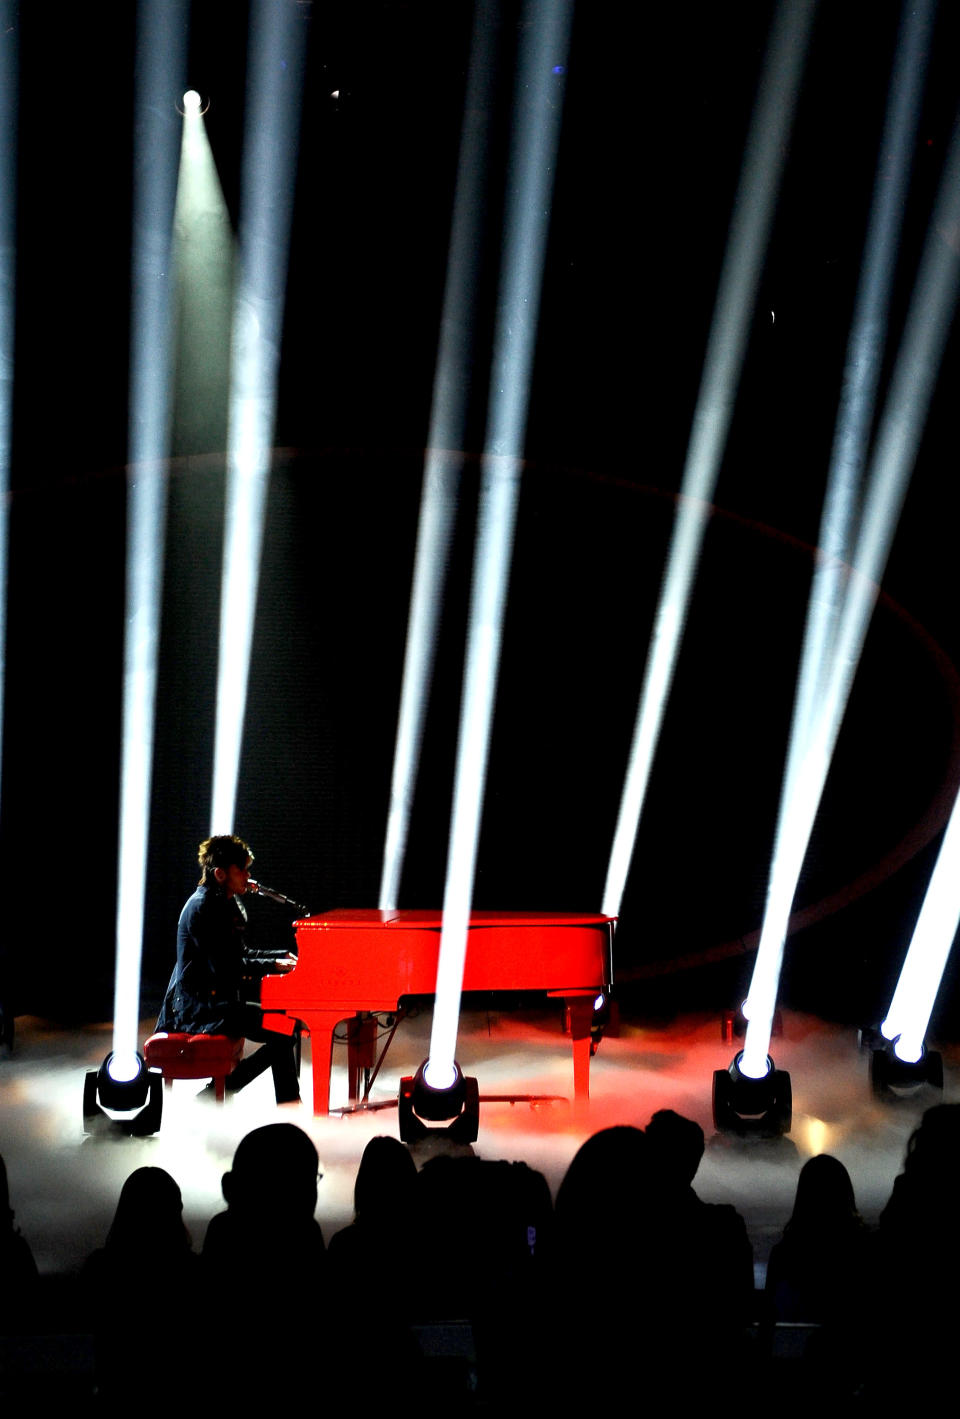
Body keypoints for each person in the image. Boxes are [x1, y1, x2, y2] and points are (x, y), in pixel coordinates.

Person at [156, 834, 300, 1103]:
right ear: (220, 874)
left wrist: (280, 956)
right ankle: (283, 1101)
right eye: (242, 870)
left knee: (284, 1026)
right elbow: (226, 966)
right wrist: (272, 964)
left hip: (214, 1004)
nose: (248, 875)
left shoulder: (221, 903)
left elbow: (240, 954)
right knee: (283, 1029)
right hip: (197, 1010)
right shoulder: (203, 908)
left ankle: (285, 1101)